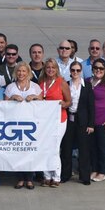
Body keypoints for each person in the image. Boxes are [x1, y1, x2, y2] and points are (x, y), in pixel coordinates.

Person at [5, 62, 42, 189]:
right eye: (19, 71)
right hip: (15, 124)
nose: (21, 73)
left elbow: (43, 104)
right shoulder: (10, 87)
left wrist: (35, 97)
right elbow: (2, 106)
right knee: (18, 151)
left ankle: (29, 178)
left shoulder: (35, 87)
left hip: (31, 125)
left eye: (24, 71)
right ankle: (20, 178)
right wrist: (12, 98)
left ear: (28, 73)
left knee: (30, 151)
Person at [39, 58, 71, 187]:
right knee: (45, 147)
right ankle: (46, 176)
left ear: (57, 69)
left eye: (53, 68)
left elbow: (69, 101)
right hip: (45, 121)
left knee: (55, 148)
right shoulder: (41, 83)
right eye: (48, 68)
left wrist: (64, 104)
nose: (50, 70)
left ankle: (56, 176)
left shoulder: (61, 82)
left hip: (59, 119)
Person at [61, 62, 94, 184]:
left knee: (84, 149)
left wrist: (91, 124)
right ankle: (65, 174)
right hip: (69, 119)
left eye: (78, 70)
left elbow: (91, 106)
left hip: (83, 121)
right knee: (66, 148)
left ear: (81, 71)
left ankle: (84, 176)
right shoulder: (66, 84)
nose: (75, 72)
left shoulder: (87, 85)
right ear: (70, 71)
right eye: (73, 70)